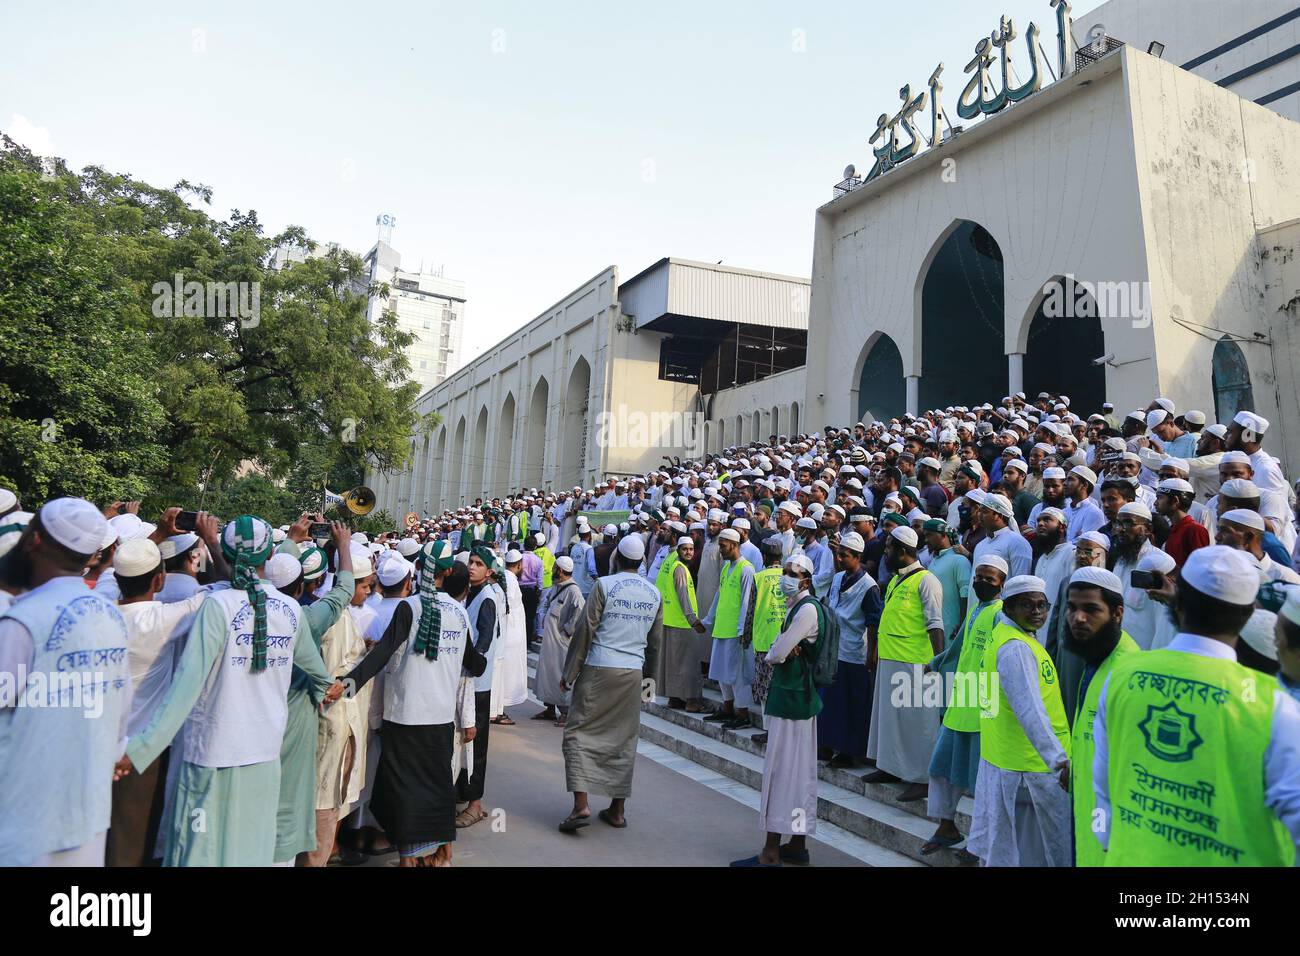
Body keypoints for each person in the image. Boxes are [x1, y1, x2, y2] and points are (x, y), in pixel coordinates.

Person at [115, 516, 343, 866]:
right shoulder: (291, 610)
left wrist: (141, 747)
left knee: (201, 852)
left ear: (227, 554)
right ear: (269, 556)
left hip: (212, 755)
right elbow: (318, 673)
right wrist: (332, 686)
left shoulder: (217, 607)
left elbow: (185, 688)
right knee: (250, 851)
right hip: (263, 753)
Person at [1093, 546, 1300, 865]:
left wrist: (1107, 840)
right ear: (1247, 616)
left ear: (1177, 605)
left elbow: (1102, 787)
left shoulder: (1122, 675)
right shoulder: (1275, 705)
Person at [0, 498, 132, 866]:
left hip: (22, 818)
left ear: (34, 541)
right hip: (86, 809)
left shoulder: (22, 622)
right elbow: (121, 712)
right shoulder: (110, 614)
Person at [336, 553, 480, 866]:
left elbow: (382, 655)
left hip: (404, 716)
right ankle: (439, 854)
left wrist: (346, 685)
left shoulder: (409, 607)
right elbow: (474, 662)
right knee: (437, 788)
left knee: (402, 791)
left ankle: (410, 858)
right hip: (440, 717)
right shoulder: (459, 611)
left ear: (422, 573)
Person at [107, 525, 219, 867]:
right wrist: (211, 540)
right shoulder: (162, 619)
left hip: (96, 741)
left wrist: (156, 535)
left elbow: (111, 578)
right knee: (131, 842)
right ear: (158, 582)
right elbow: (228, 587)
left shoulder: (100, 609)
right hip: (142, 749)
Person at [558, 534, 663, 831]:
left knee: (578, 733)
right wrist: (649, 687)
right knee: (624, 739)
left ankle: (581, 805)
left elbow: (585, 632)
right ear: (642, 561)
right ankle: (617, 810)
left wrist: (569, 674)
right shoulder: (654, 593)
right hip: (632, 674)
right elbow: (655, 645)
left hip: (599, 669)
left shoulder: (604, 586)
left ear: (616, 558)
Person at [968, 575, 1072, 867]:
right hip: (1032, 771)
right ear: (1009, 608)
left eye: (1042, 605)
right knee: (1035, 855)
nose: (1037, 611)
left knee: (1008, 851)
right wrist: (1059, 760)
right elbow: (1030, 711)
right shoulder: (1016, 648)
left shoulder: (1006, 637)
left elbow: (988, 702)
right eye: (1027, 604)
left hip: (1006, 762)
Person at [731, 554, 823, 867]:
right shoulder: (801, 607)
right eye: (785, 571)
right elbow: (783, 649)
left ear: (806, 580)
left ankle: (770, 852)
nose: (785, 577)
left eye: (792, 573)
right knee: (797, 775)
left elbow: (778, 652)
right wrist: (782, 649)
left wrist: (778, 650)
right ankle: (797, 844)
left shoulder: (807, 609)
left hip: (792, 700)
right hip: (795, 698)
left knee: (782, 774)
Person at [922, 555, 1006, 858]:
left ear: (1002, 584)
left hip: (984, 707)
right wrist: (935, 662)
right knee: (941, 768)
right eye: (979, 577)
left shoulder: (1001, 615)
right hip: (961, 701)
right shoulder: (975, 611)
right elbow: (959, 646)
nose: (982, 582)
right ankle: (946, 826)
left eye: (989, 578)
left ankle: (980, 843)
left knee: (981, 782)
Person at [1059, 568, 1139, 867]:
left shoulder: (1127, 671)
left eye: (1091, 609)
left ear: (1117, 613)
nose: (1078, 618)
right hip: (1085, 799)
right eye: (1072, 608)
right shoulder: (1096, 654)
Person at [865, 525, 944, 801]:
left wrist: (938, 662)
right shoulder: (898, 580)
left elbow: (936, 623)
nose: (884, 552)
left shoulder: (927, 580)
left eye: (888, 547)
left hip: (916, 662)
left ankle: (923, 778)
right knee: (890, 720)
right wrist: (875, 651)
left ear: (902, 551)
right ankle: (891, 767)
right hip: (891, 656)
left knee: (920, 725)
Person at [818, 531, 882, 768]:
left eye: (844, 556)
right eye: (838, 554)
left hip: (855, 651)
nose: (839, 559)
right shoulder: (838, 578)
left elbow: (873, 622)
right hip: (834, 648)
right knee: (831, 701)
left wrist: (871, 653)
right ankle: (826, 744)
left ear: (857, 556)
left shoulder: (869, 586)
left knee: (851, 703)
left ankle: (848, 751)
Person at [455, 546, 505, 829]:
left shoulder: (486, 598)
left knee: (476, 746)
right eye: (470, 562)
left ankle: (475, 804)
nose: (472, 567)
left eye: (478, 564)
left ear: (489, 571)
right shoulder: (471, 594)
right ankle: (463, 794)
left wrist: (474, 664)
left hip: (477, 683)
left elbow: (483, 643)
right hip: (466, 680)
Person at [701, 528, 756, 728]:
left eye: (723, 546)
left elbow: (747, 603)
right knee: (722, 673)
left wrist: (743, 630)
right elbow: (718, 596)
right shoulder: (726, 568)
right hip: (721, 628)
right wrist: (707, 620)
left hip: (736, 631)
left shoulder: (746, 569)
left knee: (737, 675)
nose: (720, 550)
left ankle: (742, 715)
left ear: (734, 544)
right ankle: (727, 709)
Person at [655, 535, 707, 712]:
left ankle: (675, 698)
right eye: (685, 549)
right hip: (684, 623)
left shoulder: (675, 566)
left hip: (672, 620)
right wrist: (693, 620)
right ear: (678, 550)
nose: (689, 552)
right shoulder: (680, 570)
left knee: (674, 663)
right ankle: (692, 701)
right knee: (689, 664)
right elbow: (684, 597)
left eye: (691, 549)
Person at [533, 555, 584, 725]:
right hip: (549, 641)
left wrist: (567, 632)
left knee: (559, 675)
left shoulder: (573, 591)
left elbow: (579, 613)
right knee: (548, 674)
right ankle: (549, 709)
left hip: (561, 643)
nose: (553, 570)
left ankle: (565, 711)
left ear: (560, 570)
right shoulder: (556, 586)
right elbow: (547, 602)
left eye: (555, 568)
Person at [492, 549, 529, 725]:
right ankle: (498, 710)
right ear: (519, 565)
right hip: (510, 634)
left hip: (510, 632)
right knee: (505, 673)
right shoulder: (510, 580)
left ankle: (498, 709)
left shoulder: (507, 577)